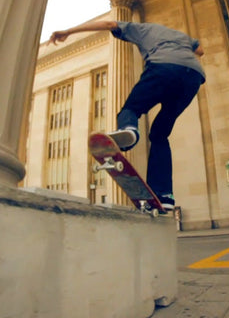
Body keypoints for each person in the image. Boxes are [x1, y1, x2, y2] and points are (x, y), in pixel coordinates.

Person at [50, 20, 206, 212]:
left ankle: (129, 129)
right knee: (159, 135)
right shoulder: (182, 36)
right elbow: (200, 51)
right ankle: (164, 194)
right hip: (192, 78)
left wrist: (69, 30)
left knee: (131, 108)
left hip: (163, 68)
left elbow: (109, 23)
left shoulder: (141, 29)